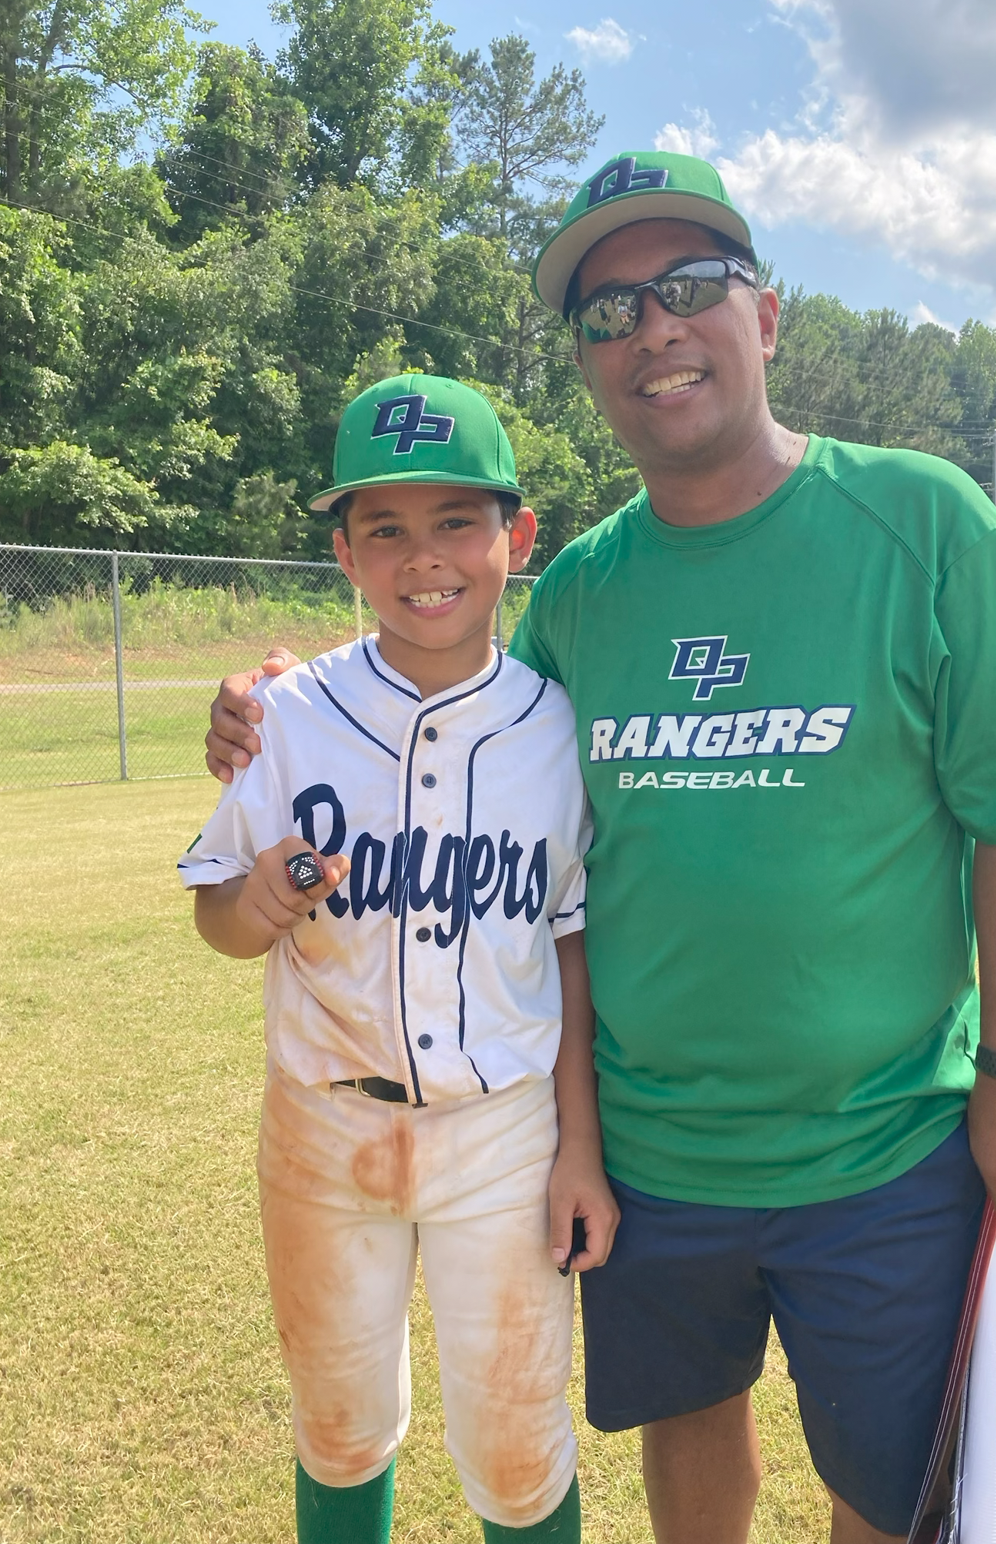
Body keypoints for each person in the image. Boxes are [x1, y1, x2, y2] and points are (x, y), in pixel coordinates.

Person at [205, 154, 996, 1544]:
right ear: (586, 363)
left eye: (690, 287)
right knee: (693, 1464)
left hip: (881, 1147)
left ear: (768, 317)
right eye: (606, 310)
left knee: (885, 1494)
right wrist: (276, 704)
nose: (652, 328)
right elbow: (446, 697)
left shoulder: (923, 519)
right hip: (652, 1154)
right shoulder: (579, 597)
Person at [182, 373, 619, 1544]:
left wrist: (580, 1142)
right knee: (337, 1422)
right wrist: (257, 904)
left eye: (455, 521)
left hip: (503, 1132)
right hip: (322, 1126)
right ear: (344, 552)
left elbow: (567, 942)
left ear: (515, 537)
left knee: (519, 1446)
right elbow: (215, 916)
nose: (424, 556)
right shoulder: (288, 710)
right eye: (385, 527)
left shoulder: (555, 726)